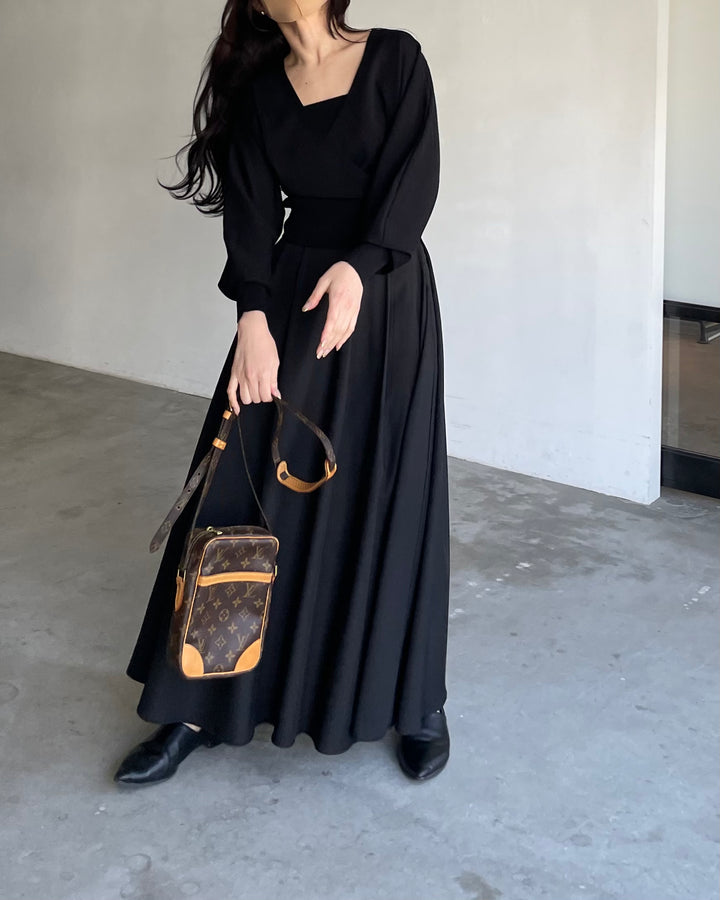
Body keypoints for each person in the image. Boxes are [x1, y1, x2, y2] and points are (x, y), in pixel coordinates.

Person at [114, 0, 451, 787]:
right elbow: (251, 213)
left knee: (387, 495)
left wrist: (361, 266)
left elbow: (416, 177)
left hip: (385, 296)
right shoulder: (262, 91)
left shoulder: (395, 58)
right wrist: (252, 320)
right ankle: (195, 704)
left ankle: (412, 700)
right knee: (239, 488)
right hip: (292, 294)